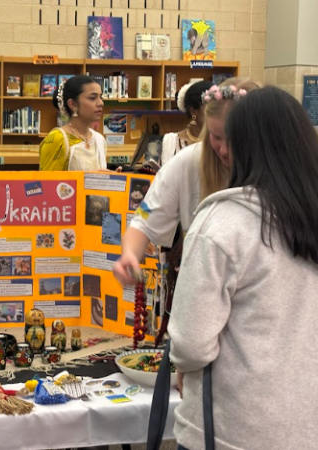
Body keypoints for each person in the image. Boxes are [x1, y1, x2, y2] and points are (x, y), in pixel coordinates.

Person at [168, 86, 318, 450]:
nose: (221, 149)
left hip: (231, 427)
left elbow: (190, 344)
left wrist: (181, 364)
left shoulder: (224, 224)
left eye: (228, 139)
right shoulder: (308, 213)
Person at [112, 78, 260, 287]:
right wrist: (130, 254)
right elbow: (144, 217)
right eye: (216, 137)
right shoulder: (187, 161)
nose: (224, 150)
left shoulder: (277, 169)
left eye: (234, 139)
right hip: (199, 287)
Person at [39, 75, 107, 171]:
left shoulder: (99, 140)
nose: (101, 103)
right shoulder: (58, 139)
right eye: (92, 98)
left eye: (101, 97)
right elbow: (47, 183)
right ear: (73, 104)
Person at [160, 80, 212, 166]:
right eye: (210, 107)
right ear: (194, 111)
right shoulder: (170, 142)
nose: (216, 113)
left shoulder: (220, 144)